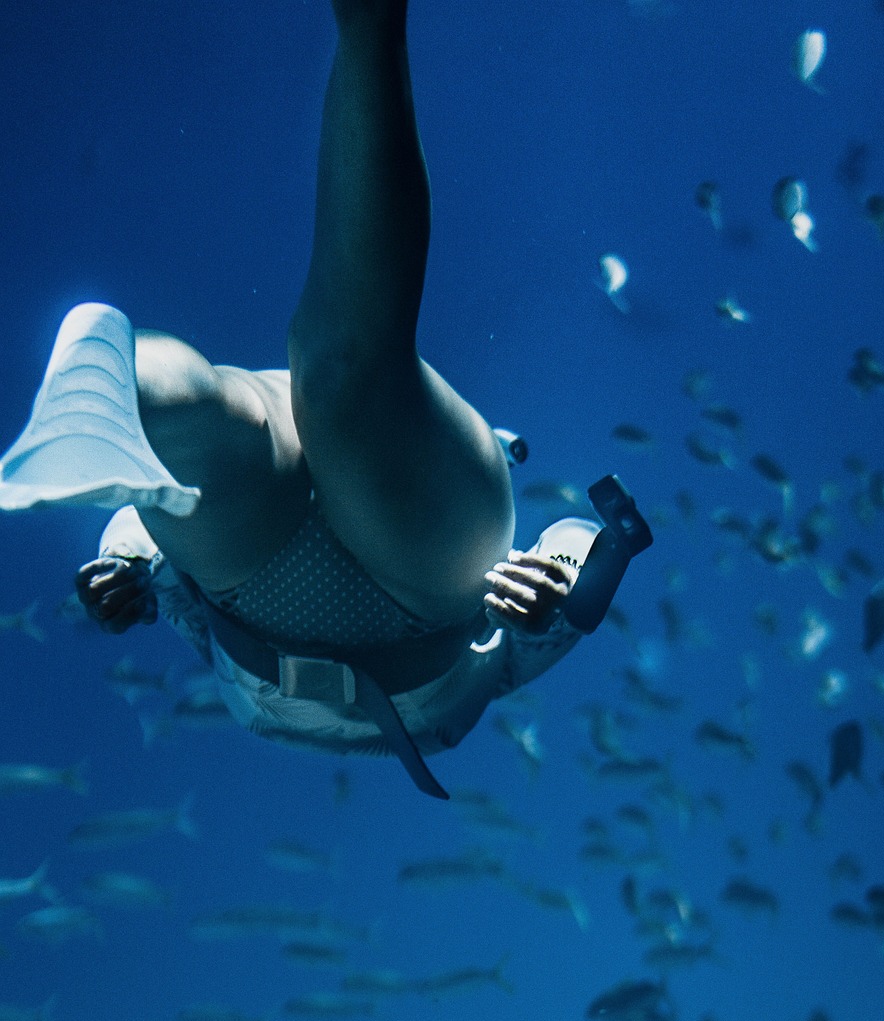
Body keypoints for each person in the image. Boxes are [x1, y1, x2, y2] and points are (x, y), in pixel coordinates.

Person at [0, 0, 648, 797]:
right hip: (385, 602)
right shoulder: (462, 694)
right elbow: (576, 561)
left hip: (275, 590)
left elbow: (151, 550)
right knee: (338, 375)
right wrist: (553, 579)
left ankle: (134, 386)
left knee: (317, 382)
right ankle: (133, 382)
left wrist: (124, 566)